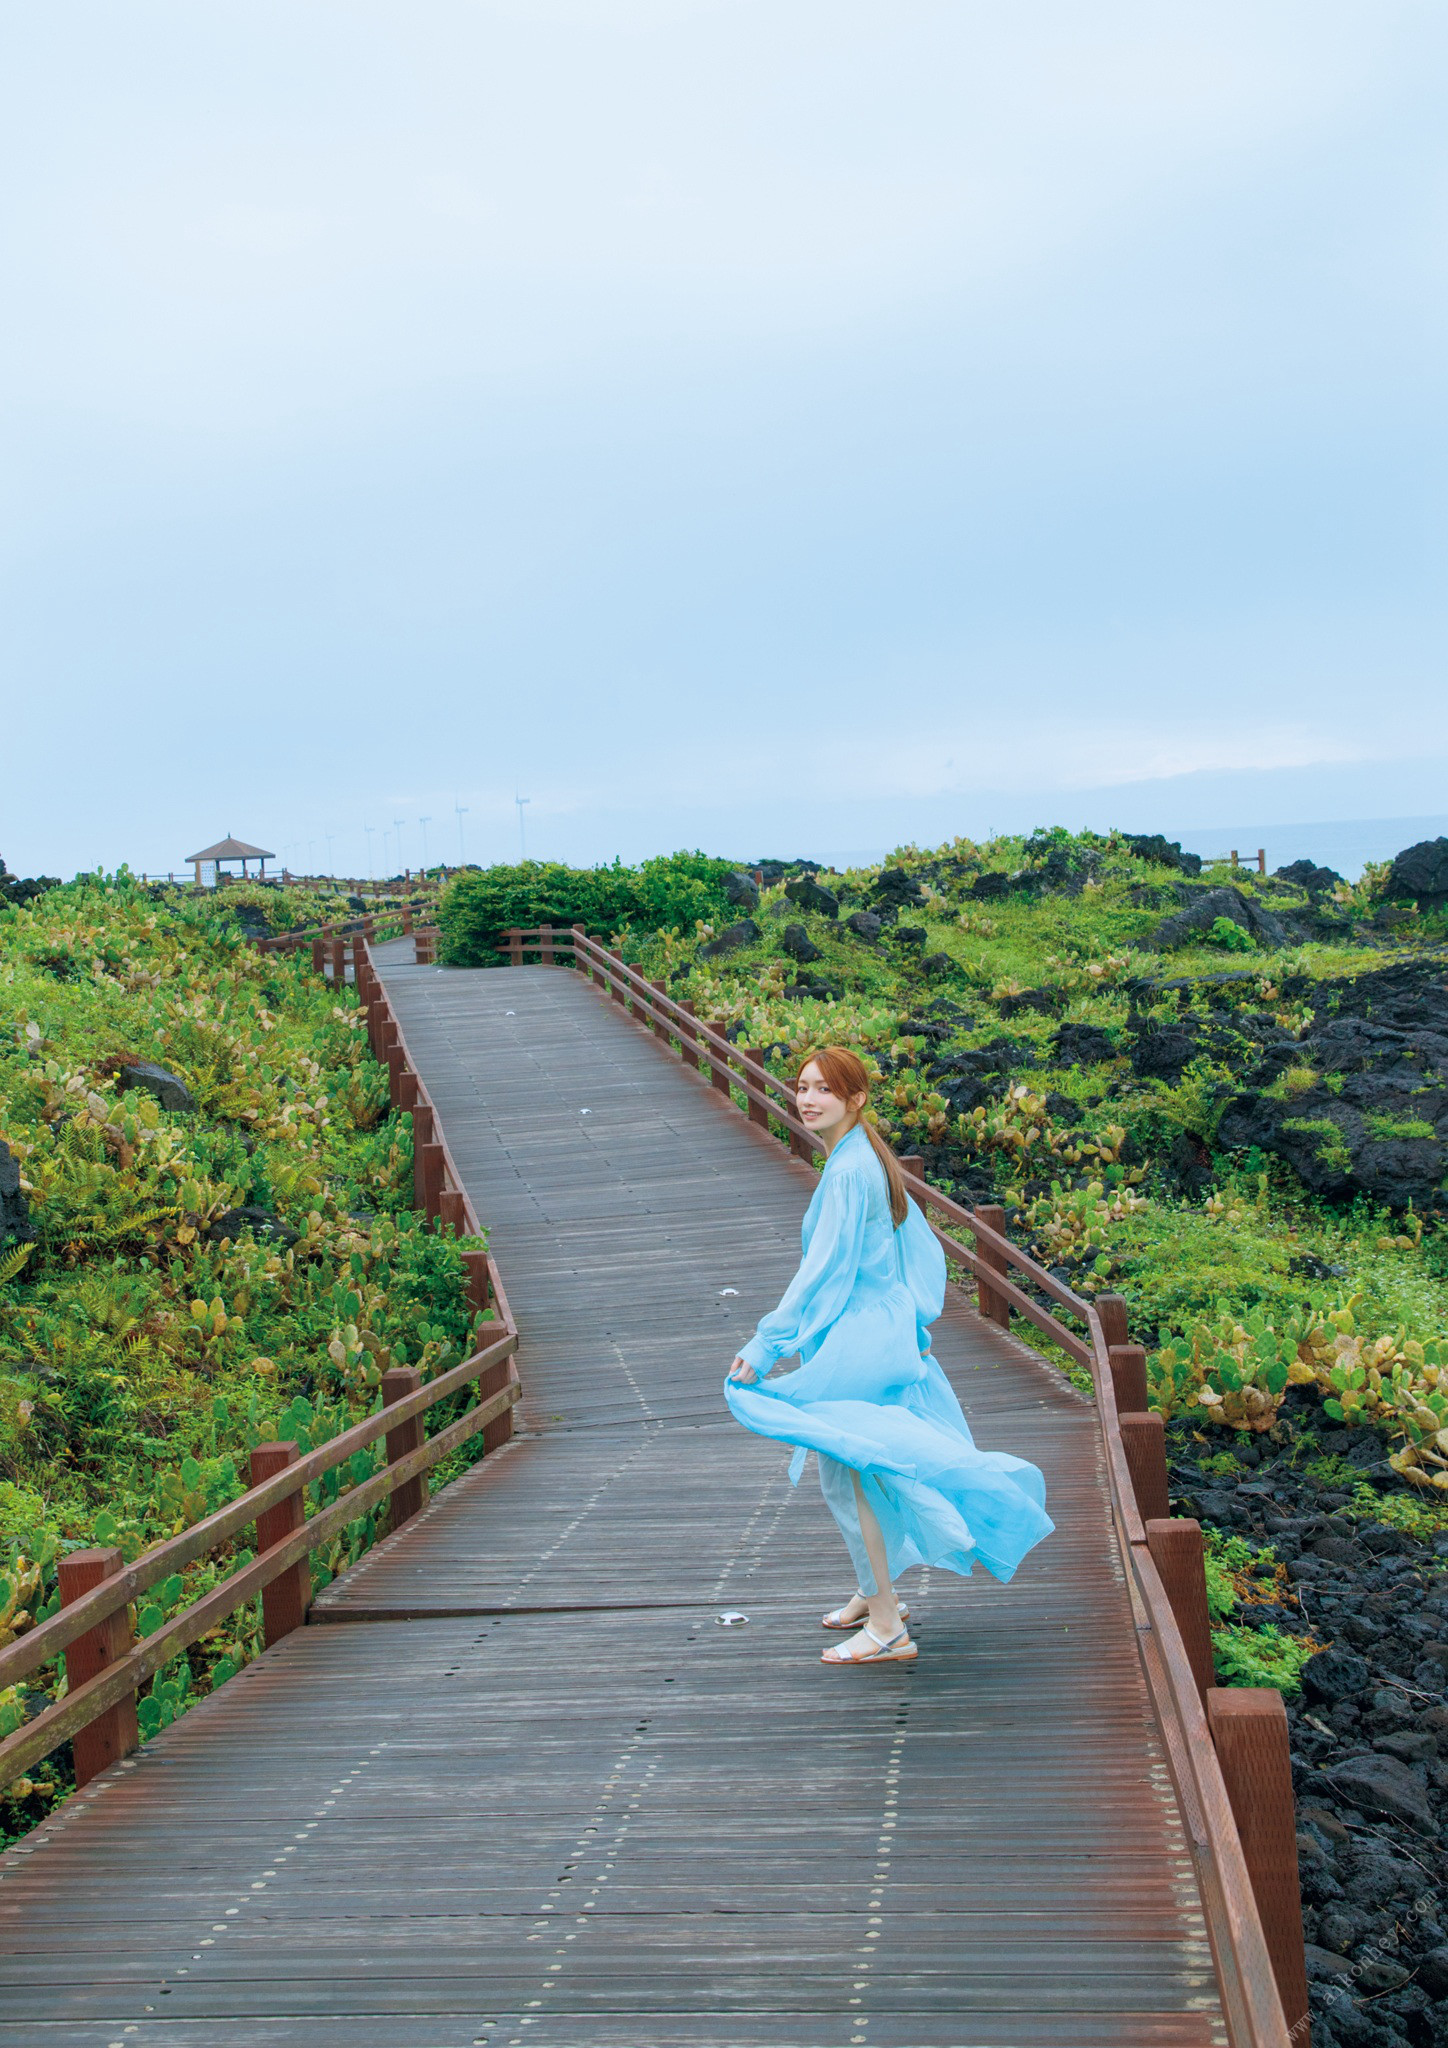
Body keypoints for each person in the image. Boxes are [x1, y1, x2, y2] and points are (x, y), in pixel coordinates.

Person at [725, 1046, 1054, 1665]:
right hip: (875, 1332)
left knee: (852, 1470)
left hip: (859, 1339)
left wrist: (766, 1342)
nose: (808, 1098)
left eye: (825, 1088)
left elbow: (823, 1271)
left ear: (856, 1100)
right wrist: (907, 1319)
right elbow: (915, 1251)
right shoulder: (864, 1157)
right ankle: (874, 1592)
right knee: (854, 1468)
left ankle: (885, 1626)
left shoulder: (850, 1170)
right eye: (803, 1086)